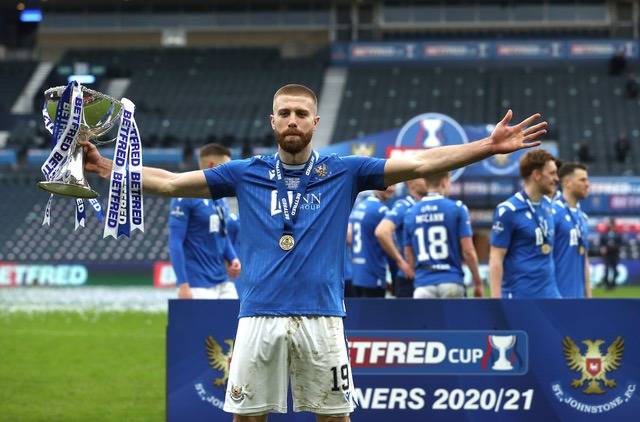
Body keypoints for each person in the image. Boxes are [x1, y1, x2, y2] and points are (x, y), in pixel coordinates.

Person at [81, 84, 546, 421]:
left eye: (301, 114)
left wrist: (488, 145)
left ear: (315, 123)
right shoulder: (245, 172)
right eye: (284, 113)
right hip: (258, 314)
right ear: (272, 121)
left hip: (323, 316)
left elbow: (421, 162)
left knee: (333, 418)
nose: (292, 121)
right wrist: (108, 168)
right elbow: (172, 182)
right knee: (246, 418)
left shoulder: (345, 171)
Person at [169, 143, 242, 299]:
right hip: (197, 285)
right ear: (211, 165)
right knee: (203, 324)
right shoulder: (186, 195)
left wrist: (232, 257)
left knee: (235, 322)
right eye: (226, 167)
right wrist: (183, 284)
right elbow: (175, 242)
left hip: (223, 281)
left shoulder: (220, 198)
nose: (230, 173)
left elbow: (223, 234)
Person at [489, 149, 560, 299]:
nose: (557, 178)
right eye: (552, 173)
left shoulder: (548, 206)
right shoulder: (508, 210)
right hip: (520, 298)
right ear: (536, 175)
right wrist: (496, 301)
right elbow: (496, 257)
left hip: (551, 296)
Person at [403, 172, 483, 299]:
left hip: (423, 284)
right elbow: (468, 251)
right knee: (455, 320)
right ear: (444, 182)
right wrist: (478, 282)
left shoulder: (411, 212)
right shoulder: (457, 208)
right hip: (451, 280)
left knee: (426, 320)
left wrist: (418, 276)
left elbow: (408, 253)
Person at [375, 178, 427, 297]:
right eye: (422, 177)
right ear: (410, 183)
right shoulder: (405, 205)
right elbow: (382, 231)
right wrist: (401, 262)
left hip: (427, 277)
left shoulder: (428, 204)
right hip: (409, 278)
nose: (427, 180)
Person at [348, 185, 396, 297]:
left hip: (357, 274)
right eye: (390, 185)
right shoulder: (381, 211)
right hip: (374, 275)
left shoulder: (360, 206)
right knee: (374, 313)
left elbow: (349, 236)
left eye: (395, 185)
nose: (393, 189)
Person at [552, 162, 591, 298]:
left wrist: (588, 296)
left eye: (587, 179)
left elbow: (584, 258)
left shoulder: (583, 217)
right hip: (555, 299)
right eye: (582, 180)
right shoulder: (552, 213)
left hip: (577, 300)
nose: (587, 184)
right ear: (567, 182)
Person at [600, 218, 623, 290]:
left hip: (615, 254)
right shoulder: (605, 234)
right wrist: (602, 248)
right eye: (610, 224)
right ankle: (607, 284)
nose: (611, 226)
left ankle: (613, 284)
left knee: (615, 270)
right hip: (607, 255)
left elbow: (620, 244)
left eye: (612, 224)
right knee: (606, 270)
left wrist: (613, 247)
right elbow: (601, 243)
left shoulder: (618, 235)